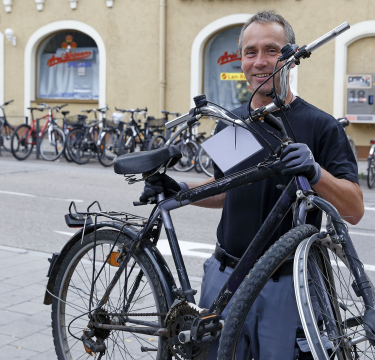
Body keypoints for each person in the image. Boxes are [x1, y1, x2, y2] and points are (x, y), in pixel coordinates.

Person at [140, 10, 363, 360]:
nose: (260, 62)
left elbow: (354, 209)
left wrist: (315, 172)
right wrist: (180, 189)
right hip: (224, 276)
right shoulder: (231, 125)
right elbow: (227, 190)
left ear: (291, 57)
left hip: (288, 285)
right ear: (241, 60)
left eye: (271, 50)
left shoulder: (321, 126)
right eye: (250, 52)